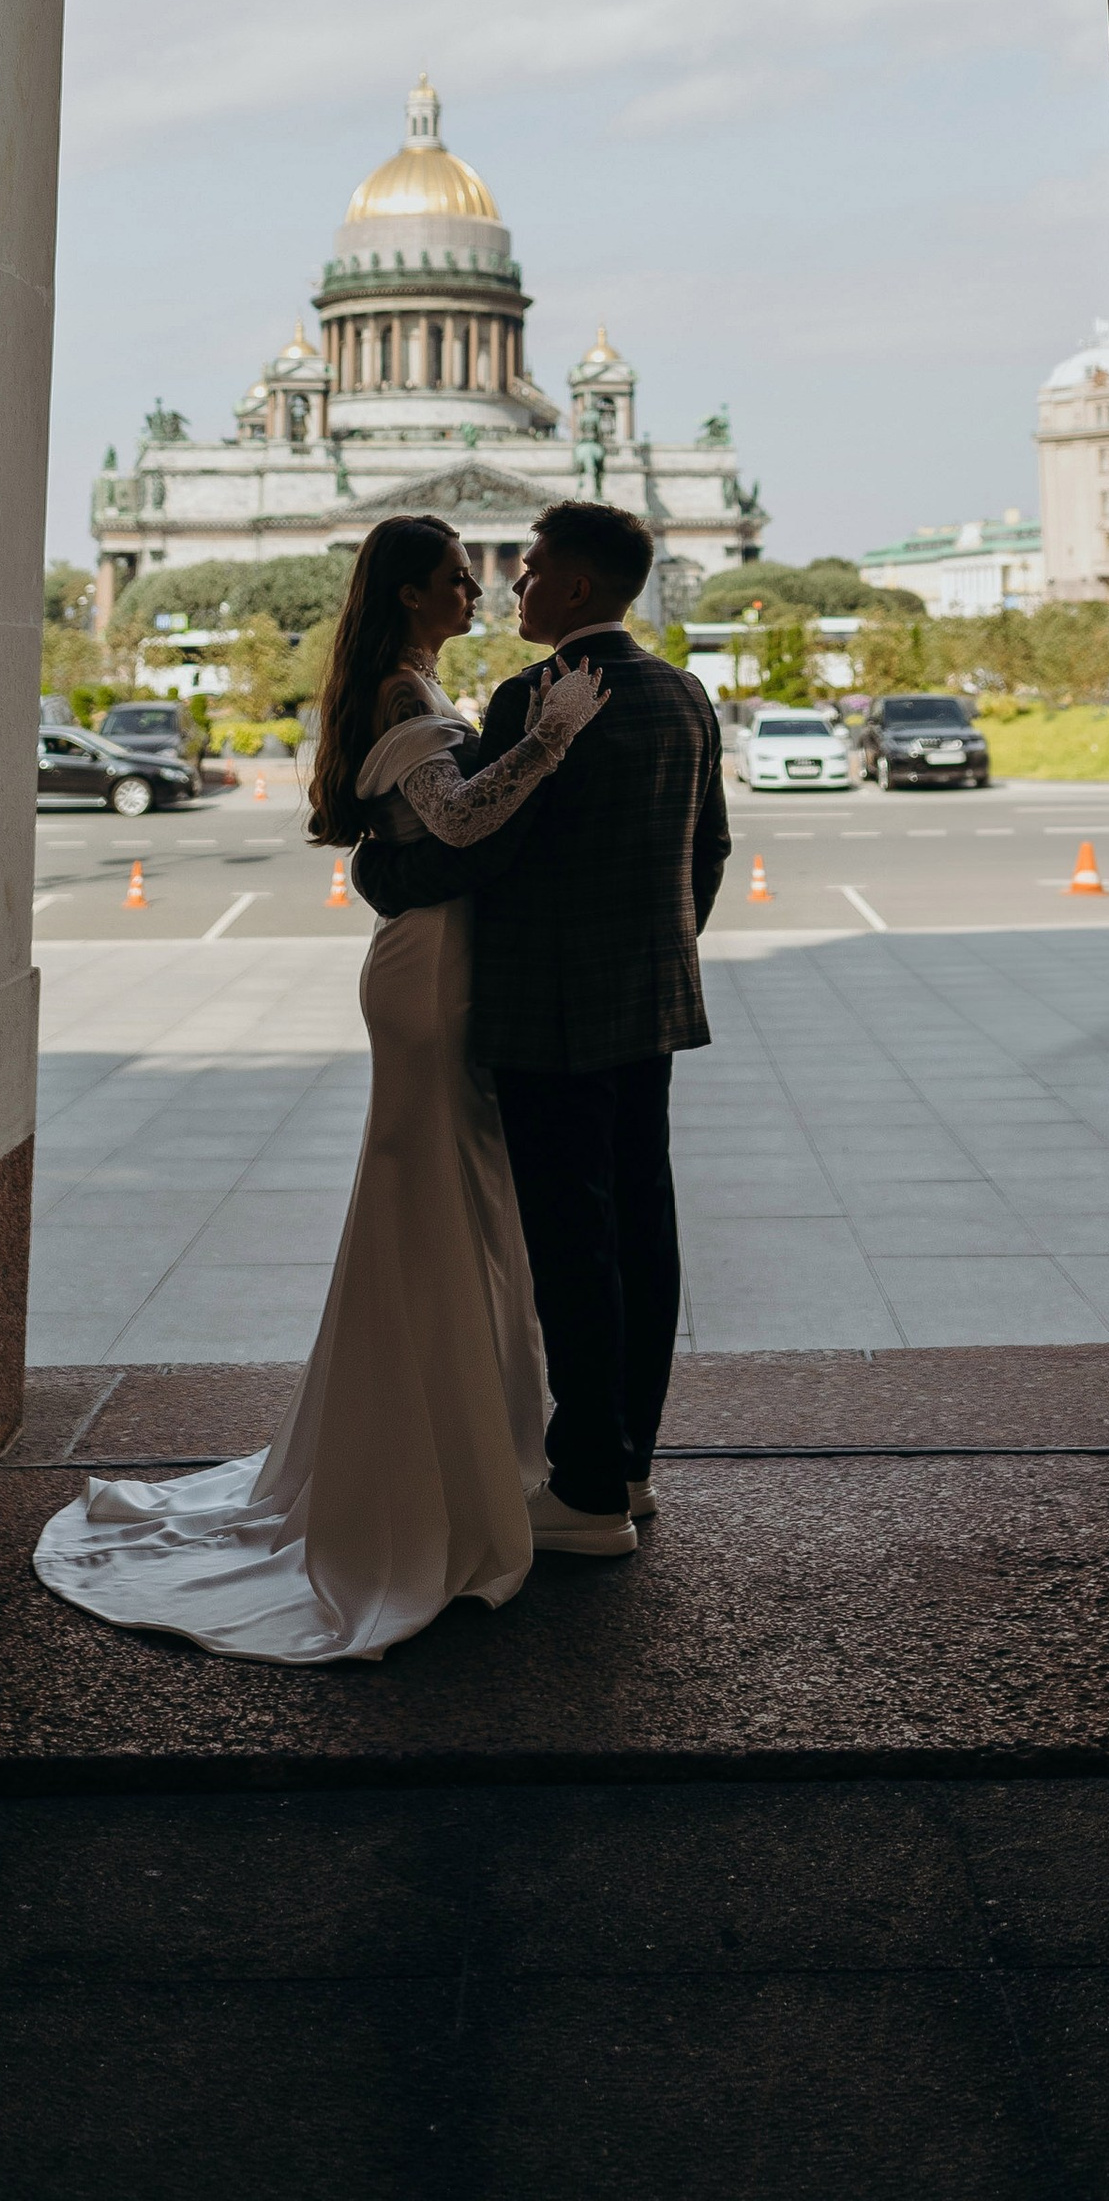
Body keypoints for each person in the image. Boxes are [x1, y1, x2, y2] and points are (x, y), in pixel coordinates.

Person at [31, 513, 610, 1663]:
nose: (478, 592)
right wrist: (547, 742)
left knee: (445, 1199)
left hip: (432, 961)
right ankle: (429, 1463)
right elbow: (454, 822)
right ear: (409, 595)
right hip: (430, 972)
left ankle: (448, 1445)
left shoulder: (403, 685)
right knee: (433, 1200)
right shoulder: (402, 694)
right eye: (457, 580)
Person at [352, 498, 731, 1558]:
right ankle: (635, 1463)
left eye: (527, 569)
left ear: (574, 586)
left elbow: (477, 853)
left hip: (545, 1014)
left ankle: (588, 1489)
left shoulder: (535, 696)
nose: (511, 584)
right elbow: (707, 850)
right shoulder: (686, 693)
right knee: (645, 1230)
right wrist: (657, 950)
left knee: (572, 1246)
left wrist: (377, 870)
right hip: (649, 1005)